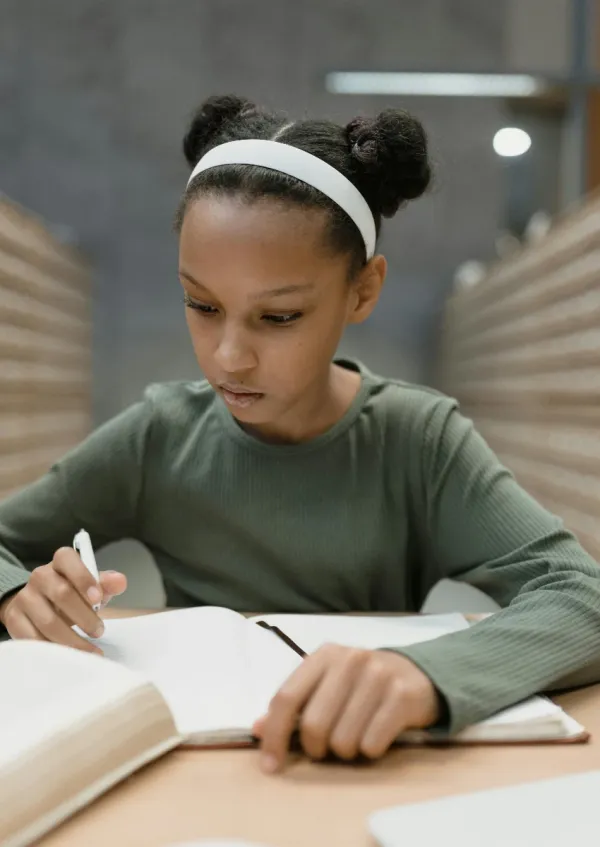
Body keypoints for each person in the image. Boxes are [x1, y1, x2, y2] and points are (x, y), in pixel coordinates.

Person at [1, 95, 600, 775]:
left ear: (363, 290)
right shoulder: (159, 436)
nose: (229, 355)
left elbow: (583, 596)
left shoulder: (420, 443)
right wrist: (17, 594)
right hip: (196, 768)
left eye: (279, 316)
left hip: (353, 769)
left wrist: (424, 676)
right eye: (202, 305)